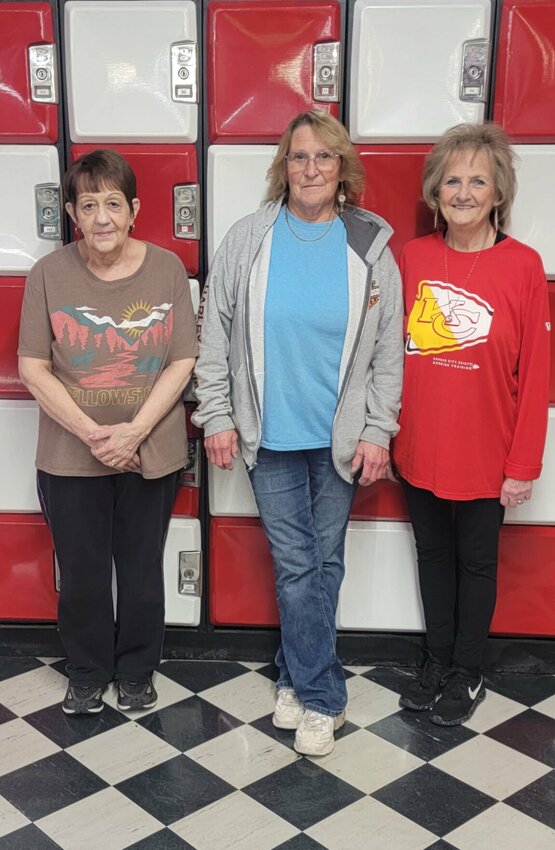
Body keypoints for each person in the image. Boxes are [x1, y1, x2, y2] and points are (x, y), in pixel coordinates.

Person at [193, 110, 403, 756]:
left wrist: (378, 430)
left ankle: (292, 675)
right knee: (296, 563)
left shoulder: (368, 246)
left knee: (324, 562)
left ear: (342, 170)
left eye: (323, 157)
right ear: (282, 167)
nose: (309, 168)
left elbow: (387, 353)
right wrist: (218, 413)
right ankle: (323, 697)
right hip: (271, 435)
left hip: (337, 440)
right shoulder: (248, 238)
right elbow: (215, 332)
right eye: (298, 157)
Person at [18, 149, 197, 715]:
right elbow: (32, 366)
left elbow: (181, 360)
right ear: (72, 212)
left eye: (113, 204)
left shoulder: (167, 269)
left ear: (134, 210)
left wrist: (134, 432)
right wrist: (95, 433)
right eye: (89, 204)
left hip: (152, 450)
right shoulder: (49, 273)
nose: (102, 218)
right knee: (83, 571)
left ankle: (139, 669)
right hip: (71, 456)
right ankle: (88, 671)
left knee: (142, 569)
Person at [394, 123, 550, 725]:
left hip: (488, 452)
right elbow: (389, 355)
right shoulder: (413, 257)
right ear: (435, 192)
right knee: (432, 555)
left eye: (477, 180)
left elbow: (535, 377)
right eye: (452, 180)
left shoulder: (523, 266)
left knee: (477, 563)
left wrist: (522, 465)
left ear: (497, 193)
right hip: (420, 446)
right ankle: (435, 661)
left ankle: (467, 672)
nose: (463, 192)